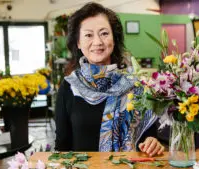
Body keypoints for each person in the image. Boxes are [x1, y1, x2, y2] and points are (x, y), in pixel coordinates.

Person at [55, 2, 164, 157]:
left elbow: (149, 136)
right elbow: (62, 145)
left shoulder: (136, 85)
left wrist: (152, 142)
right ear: (78, 43)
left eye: (104, 33)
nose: (98, 42)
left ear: (114, 38)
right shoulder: (70, 86)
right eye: (88, 35)